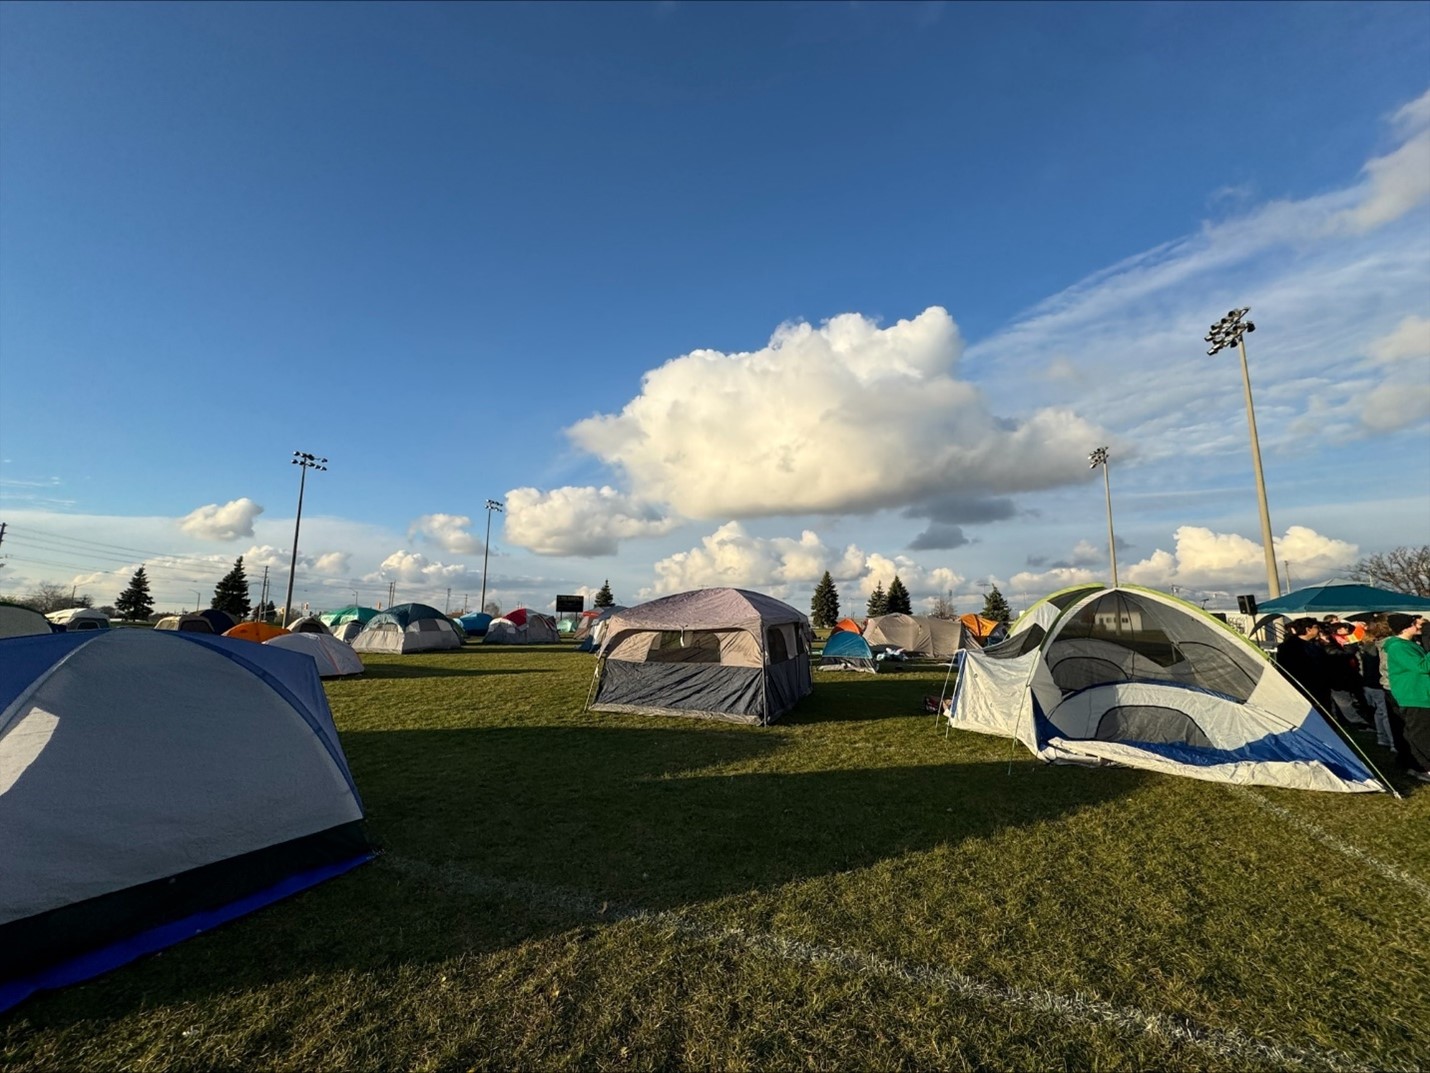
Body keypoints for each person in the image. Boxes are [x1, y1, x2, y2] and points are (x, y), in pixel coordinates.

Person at [1384, 613, 1430, 783]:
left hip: (1421, 694)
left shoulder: (1409, 644)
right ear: (1405, 628)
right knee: (1421, 734)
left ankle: (1417, 765)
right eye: (1414, 624)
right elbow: (1422, 666)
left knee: (1419, 732)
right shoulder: (1398, 647)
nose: (1419, 626)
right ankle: (1423, 766)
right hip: (1414, 696)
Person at [1276, 617, 1337, 722]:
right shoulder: (1291, 648)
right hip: (1306, 687)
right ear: (1308, 630)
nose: (1318, 630)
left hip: (1318, 686)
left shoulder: (1313, 645)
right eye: (1316, 627)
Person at [1360, 617, 1394, 749]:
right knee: (1385, 713)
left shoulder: (1367, 646)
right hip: (1377, 682)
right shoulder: (1378, 647)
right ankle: (1392, 742)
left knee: (1379, 712)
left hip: (1369, 682)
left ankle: (1382, 738)